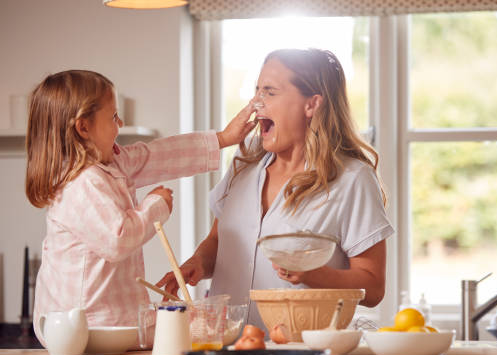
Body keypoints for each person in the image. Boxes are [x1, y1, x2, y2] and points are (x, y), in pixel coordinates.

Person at [158, 48, 394, 329]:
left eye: (269, 92)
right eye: (257, 91)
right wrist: (198, 262)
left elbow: (373, 287)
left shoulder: (352, 178)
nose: (256, 103)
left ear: (311, 104)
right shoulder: (244, 161)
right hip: (231, 350)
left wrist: (311, 274)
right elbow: (218, 240)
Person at [25, 69, 256, 346]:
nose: (120, 123)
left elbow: (157, 155)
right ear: (83, 127)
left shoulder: (112, 164)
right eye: (113, 116)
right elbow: (118, 238)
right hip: (83, 326)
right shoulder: (80, 183)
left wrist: (222, 138)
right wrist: (155, 205)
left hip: (111, 323)